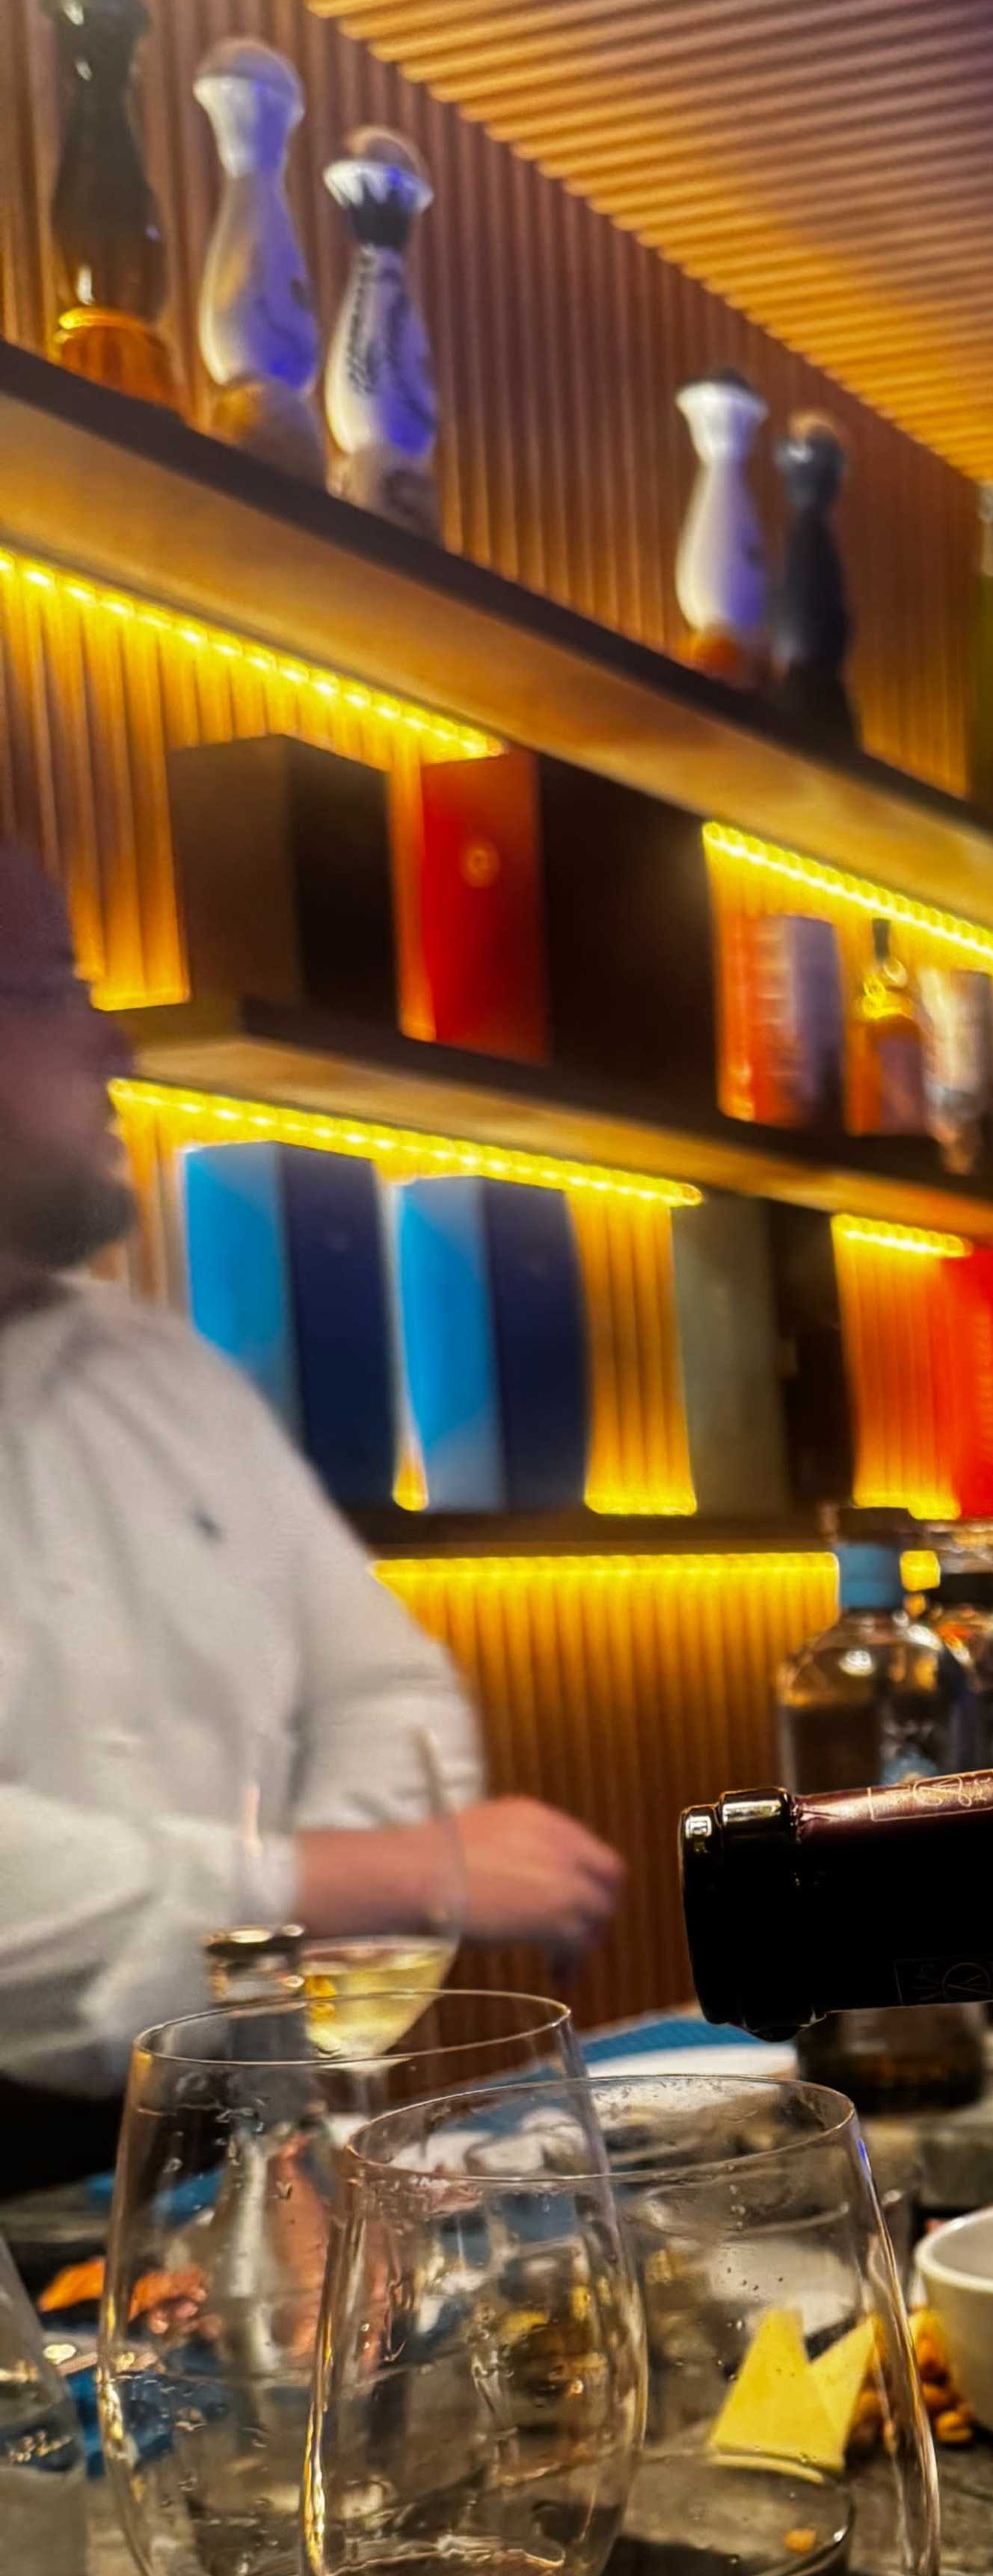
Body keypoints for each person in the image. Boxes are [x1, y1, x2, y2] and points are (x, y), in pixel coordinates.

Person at [0, 836, 621, 2183]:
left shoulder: (160, 1366)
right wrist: (336, 1881)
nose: (118, 1044)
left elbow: (385, 1689)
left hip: (258, 2153)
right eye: (55, 983)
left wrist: (323, 1925)